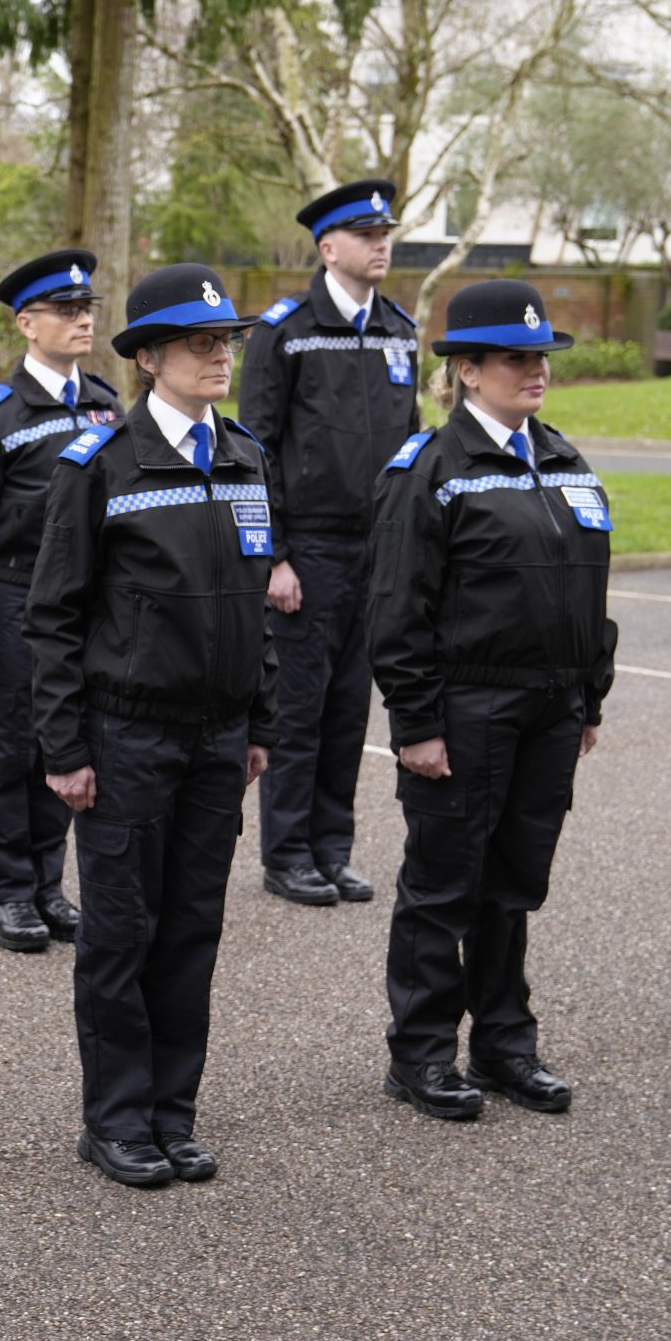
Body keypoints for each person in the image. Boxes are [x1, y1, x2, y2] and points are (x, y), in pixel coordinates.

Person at [25, 262, 286, 1189]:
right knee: (121, 933)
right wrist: (64, 747)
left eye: (227, 342)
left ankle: (173, 1113)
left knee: (191, 931)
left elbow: (255, 605)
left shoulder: (247, 456)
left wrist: (259, 720)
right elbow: (53, 614)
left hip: (217, 737)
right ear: (148, 357)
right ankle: (117, 1118)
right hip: (127, 735)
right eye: (200, 344)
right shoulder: (101, 464)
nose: (220, 357)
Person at [367, 279, 615, 1121]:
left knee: (514, 883)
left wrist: (588, 697)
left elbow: (589, 588)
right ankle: (421, 1052)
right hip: (467, 706)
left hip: (549, 707)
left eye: (542, 356)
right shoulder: (431, 470)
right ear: (467, 370)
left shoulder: (565, 461)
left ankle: (505, 1042)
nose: (536, 370)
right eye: (516, 357)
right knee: (444, 885)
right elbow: (396, 608)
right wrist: (416, 723)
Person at [238, 178, 420, 910]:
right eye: (366, 235)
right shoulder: (286, 330)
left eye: (385, 235)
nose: (381, 246)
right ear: (327, 248)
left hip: (374, 550)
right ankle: (287, 853)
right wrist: (275, 556)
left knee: (349, 709)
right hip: (307, 549)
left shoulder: (399, 330)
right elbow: (256, 448)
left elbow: (409, 449)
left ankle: (331, 848)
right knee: (298, 707)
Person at [0, 248, 123, 954]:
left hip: (83, 607)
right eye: (66, 310)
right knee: (15, 751)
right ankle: (9, 892)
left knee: (65, 743)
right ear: (27, 323)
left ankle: (48, 885)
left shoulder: (106, 404)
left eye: (87, 309)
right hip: (13, 600)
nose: (83, 320)